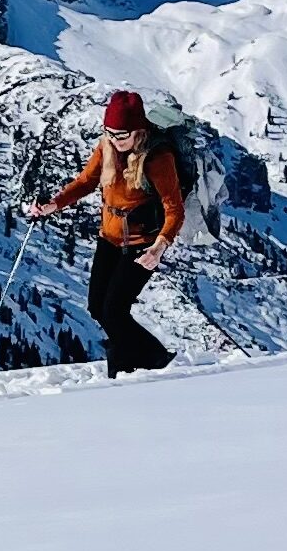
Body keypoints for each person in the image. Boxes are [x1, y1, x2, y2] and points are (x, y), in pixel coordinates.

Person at [24, 89, 181, 377]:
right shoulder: (107, 147)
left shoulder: (158, 158)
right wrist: (52, 206)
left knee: (114, 310)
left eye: (122, 135)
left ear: (139, 130)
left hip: (141, 244)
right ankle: (148, 360)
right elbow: (86, 182)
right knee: (98, 307)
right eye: (110, 133)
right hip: (108, 238)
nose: (115, 140)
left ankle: (133, 366)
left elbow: (174, 209)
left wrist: (159, 248)